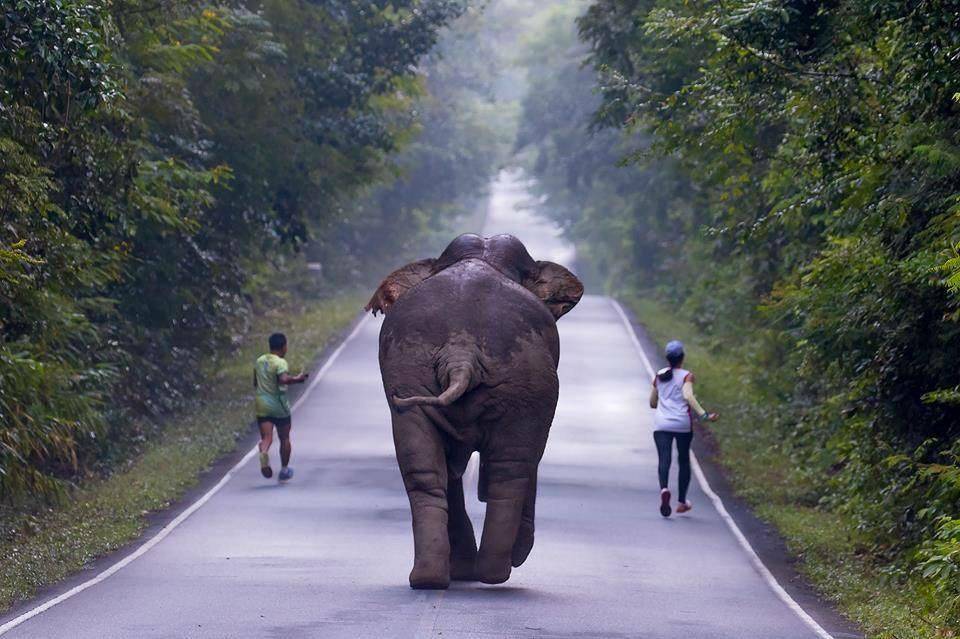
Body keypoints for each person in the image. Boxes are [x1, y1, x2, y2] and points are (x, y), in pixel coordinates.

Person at [648, 340, 718, 517]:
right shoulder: (687, 376)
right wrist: (703, 415)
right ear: (682, 358)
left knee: (664, 460)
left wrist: (664, 402)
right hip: (682, 424)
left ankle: (664, 489)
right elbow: (687, 395)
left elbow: (652, 402)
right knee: (684, 460)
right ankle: (681, 501)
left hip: (662, 424)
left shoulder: (659, 376)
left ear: (667, 358)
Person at [254, 332, 308, 482]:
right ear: (284, 347)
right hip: (279, 404)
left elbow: (255, 382)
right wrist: (297, 379)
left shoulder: (259, 361)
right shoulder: (280, 363)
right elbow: (283, 379)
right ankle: (284, 469)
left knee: (267, 438)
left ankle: (263, 452)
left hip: (262, 404)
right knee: (284, 438)